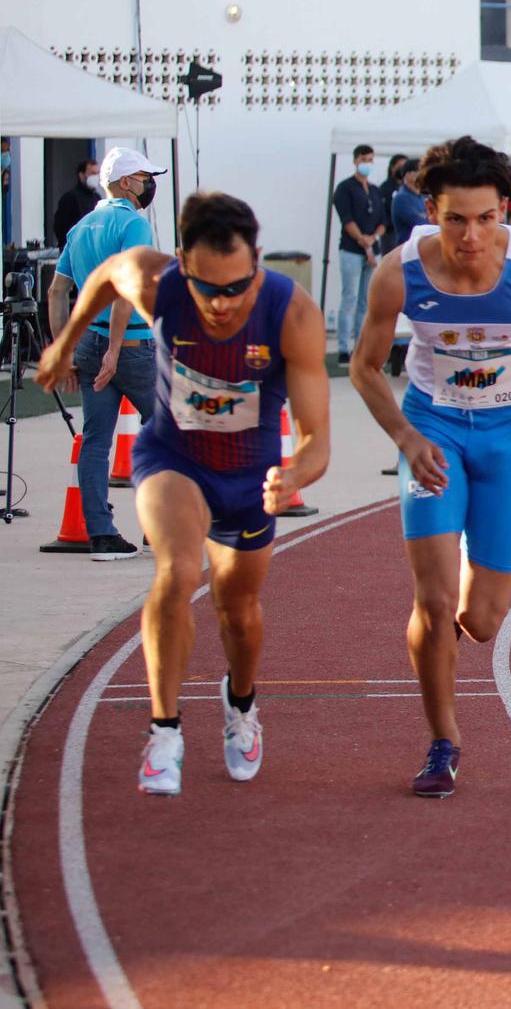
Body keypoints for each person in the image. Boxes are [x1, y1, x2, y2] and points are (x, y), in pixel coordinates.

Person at [38, 191, 330, 795]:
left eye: (237, 287)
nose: (222, 305)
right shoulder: (155, 280)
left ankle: (241, 706)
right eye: (208, 289)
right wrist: (65, 342)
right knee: (174, 572)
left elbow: (316, 438)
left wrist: (298, 472)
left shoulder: (291, 313)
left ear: (257, 262)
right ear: (180, 264)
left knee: (238, 614)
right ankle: (164, 728)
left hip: (250, 476)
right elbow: (100, 280)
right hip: (174, 457)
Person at [351, 136, 511, 797]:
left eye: (486, 218)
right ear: (429, 210)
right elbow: (364, 366)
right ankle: (442, 739)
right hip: (433, 434)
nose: (470, 236)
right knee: (433, 603)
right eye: (456, 219)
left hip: (505, 440)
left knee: (482, 620)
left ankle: (459, 584)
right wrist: (406, 437)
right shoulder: (399, 272)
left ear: (506, 212)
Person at [47, 147, 168, 560]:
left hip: (87, 343)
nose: (149, 184)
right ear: (126, 182)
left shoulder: (81, 227)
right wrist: (115, 350)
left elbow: (57, 290)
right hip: (130, 346)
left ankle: (101, 534)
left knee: (97, 439)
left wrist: (63, 350)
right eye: (144, 177)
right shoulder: (134, 225)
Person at [332, 145, 386, 364]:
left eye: (371, 159)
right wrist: (362, 240)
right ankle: (343, 347)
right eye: (364, 159)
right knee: (350, 297)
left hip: (373, 249)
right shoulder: (345, 188)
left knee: (366, 300)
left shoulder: (374, 190)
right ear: (355, 160)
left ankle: (360, 345)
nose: (367, 163)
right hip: (352, 250)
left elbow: (383, 220)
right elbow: (346, 219)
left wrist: (373, 239)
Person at [51, 156, 100, 247]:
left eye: (97, 173)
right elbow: (61, 229)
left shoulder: (97, 198)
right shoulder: (70, 198)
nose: (96, 177)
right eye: (92, 173)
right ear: (81, 175)